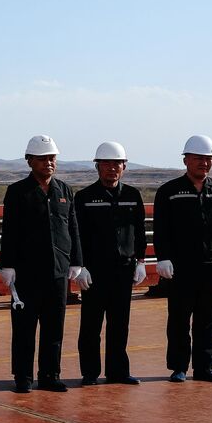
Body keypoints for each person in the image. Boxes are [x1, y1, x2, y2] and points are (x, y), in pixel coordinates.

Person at [153, 135, 212, 384]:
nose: (203, 163)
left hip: (211, 265)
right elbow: (161, 229)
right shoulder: (169, 191)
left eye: (208, 159)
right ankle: (179, 367)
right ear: (186, 160)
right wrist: (163, 258)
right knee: (179, 318)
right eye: (198, 159)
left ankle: (204, 367)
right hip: (180, 266)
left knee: (207, 318)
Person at [0, 135, 87, 393]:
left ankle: (50, 375)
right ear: (30, 161)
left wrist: (76, 261)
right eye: (43, 159)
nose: (49, 163)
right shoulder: (17, 192)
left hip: (58, 272)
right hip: (26, 272)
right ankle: (23, 377)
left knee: (54, 326)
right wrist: (8, 265)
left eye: (52, 159)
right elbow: (10, 230)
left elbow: (72, 228)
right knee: (25, 328)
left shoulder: (64, 190)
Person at [73, 142, 147, 386]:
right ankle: (90, 373)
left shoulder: (132, 196)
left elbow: (139, 231)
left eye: (117, 164)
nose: (112, 168)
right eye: (106, 164)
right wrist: (79, 266)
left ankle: (118, 372)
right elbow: (77, 235)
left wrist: (141, 261)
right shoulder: (84, 198)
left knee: (119, 324)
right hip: (94, 272)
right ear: (97, 166)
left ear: (124, 167)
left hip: (123, 270)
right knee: (91, 325)